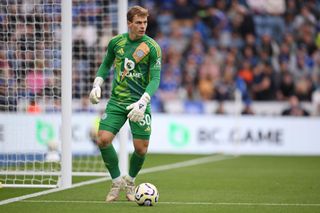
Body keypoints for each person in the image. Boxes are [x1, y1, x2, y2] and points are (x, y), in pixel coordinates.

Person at [89, 6, 161, 202]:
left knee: (141, 148)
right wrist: (97, 83)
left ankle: (130, 181)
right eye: (138, 22)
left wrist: (143, 101)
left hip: (140, 103)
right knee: (103, 139)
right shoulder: (116, 42)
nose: (142, 26)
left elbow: (155, 79)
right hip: (117, 102)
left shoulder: (152, 47)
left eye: (145, 22)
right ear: (129, 23)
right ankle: (116, 182)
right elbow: (106, 64)